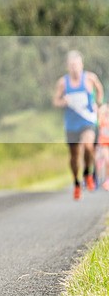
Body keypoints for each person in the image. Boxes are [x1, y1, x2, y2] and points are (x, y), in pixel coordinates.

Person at [53, 50, 104, 200]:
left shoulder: (90, 78)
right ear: (68, 67)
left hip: (87, 120)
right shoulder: (63, 82)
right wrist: (63, 102)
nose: (75, 68)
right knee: (74, 156)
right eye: (72, 65)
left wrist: (97, 103)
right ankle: (76, 182)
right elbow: (55, 101)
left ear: (82, 65)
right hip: (71, 124)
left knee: (88, 146)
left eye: (77, 65)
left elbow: (99, 90)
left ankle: (88, 173)